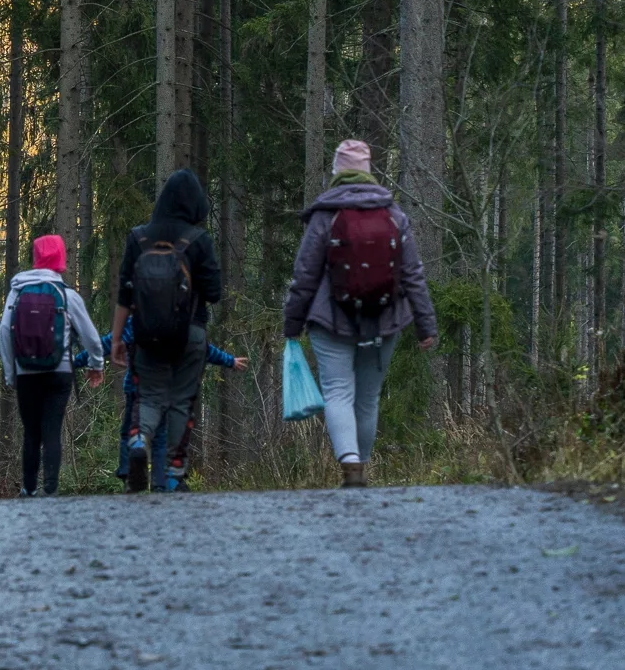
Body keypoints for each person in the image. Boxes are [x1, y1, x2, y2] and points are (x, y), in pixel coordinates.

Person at [282, 139, 439, 488]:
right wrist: (425, 325)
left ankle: (349, 465)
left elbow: (305, 275)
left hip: (330, 320)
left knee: (338, 393)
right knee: (367, 399)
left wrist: (292, 324)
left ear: (337, 171)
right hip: (384, 320)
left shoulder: (325, 215)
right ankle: (362, 468)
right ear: (368, 170)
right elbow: (413, 273)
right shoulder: (394, 214)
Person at [108, 168, 223, 493]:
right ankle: (173, 474)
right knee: (180, 401)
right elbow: (214, 293)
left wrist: (117, 338)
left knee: (151, 397)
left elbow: (125, 295)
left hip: (146, 337)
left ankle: (138, 442)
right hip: (190, 335)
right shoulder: (199, 240)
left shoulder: (138, 237)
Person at [0, 233, 105, 496]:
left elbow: (4, 331)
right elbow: (91, 337)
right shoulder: (67, 295)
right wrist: (96, 364)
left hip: (26, 373)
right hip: (59, 373)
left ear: (36, 258)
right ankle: (51, 489)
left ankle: (29, 489)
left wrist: (11, 374)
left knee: (31, 432)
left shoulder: (18, 291)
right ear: (61, 258)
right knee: (52, 430)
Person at [105, 318, 247, 490]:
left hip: (138, 387)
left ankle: (131, 472)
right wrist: (229, 360)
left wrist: (80, 358)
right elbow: (199, 347)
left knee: (132, 433)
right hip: (170, 388)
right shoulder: (178, 319)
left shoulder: (138, 319)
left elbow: (110, 341)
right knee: (161, 439)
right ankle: (162, 483)